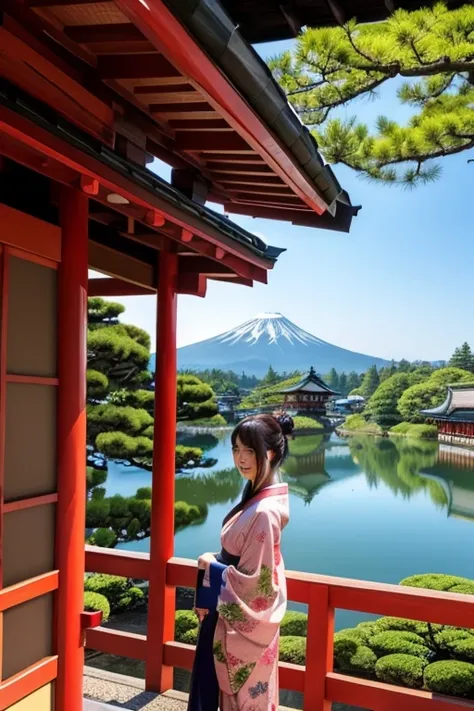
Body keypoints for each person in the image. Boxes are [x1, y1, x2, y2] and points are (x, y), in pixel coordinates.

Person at [187, 413, 293, 711]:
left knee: (242, 701)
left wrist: (212, 567)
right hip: (229, 616)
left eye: (250, 451)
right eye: (236, 449)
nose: (241, 459)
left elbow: (255, 584)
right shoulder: (258, 499)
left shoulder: (263, 512)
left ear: (269, 454)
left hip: (240, 625)